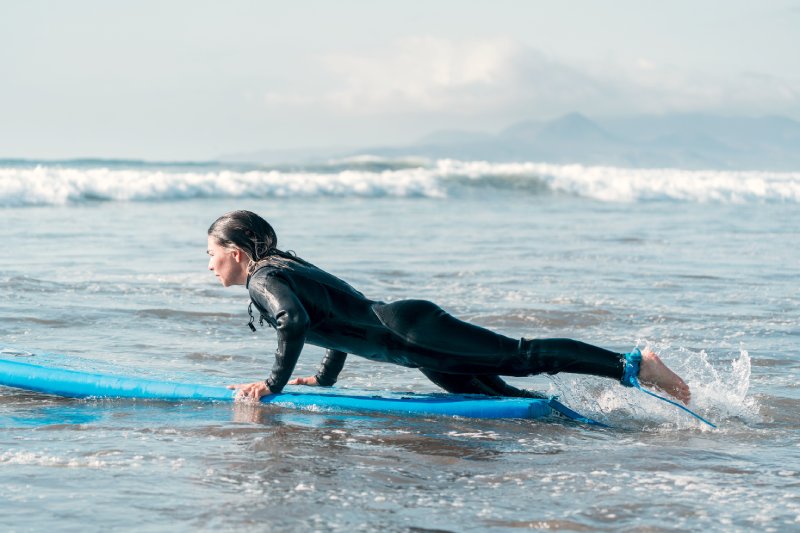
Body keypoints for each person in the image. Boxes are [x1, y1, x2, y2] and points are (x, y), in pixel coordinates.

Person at [207, 210, 690, 405]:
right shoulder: (285, 270)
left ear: (236, 252)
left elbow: (295, 322)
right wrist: (325, 379)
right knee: (500, 399)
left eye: (211, 254)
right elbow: (337, 321)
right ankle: (575, 421)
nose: (210, 266)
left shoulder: (265, 278)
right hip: (416, 349)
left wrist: (272, 385)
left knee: (522, 358)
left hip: (415, 332)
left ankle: (634, 365)